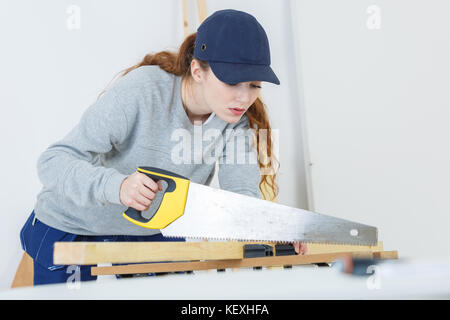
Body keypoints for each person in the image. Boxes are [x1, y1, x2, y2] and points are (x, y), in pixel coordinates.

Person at [19, 9, 306, 286]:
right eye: (232, 82)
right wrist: (117, 187)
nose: (244, 98)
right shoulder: (142, 92)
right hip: (75, 224)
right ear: (197, 70)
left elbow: (241, 197)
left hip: (150, 228)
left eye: (255, 85)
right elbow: (53, 161)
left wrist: (271, 227)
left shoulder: (237, 121)